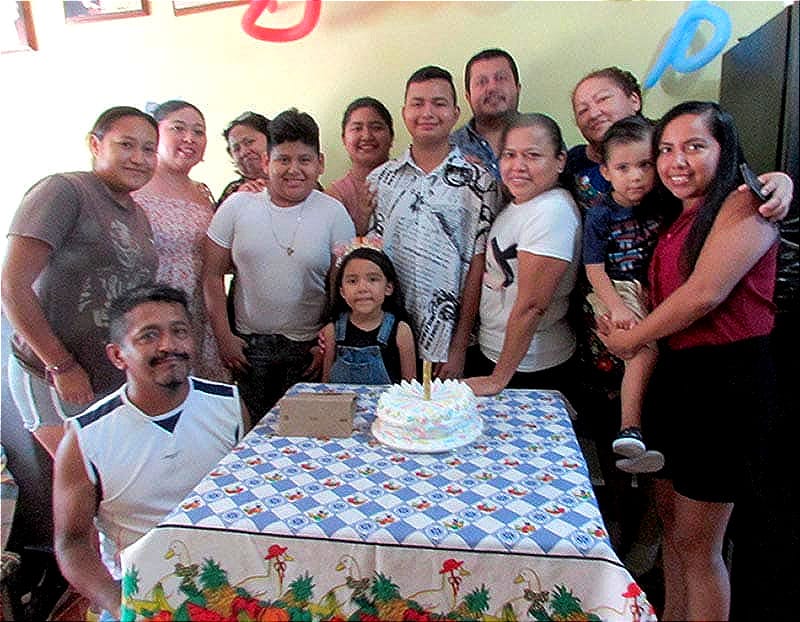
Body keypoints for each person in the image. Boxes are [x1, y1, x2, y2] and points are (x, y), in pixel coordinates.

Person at [600, 102, 781, 621]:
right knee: (676, 539)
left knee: (701, 549)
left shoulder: (745, 203)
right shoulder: (678, 216)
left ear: (724, 150)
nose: (677, 161)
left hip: (726, 385)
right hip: (677, 382)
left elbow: (705, 293)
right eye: (667, 150)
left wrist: (630, 341)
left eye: (695, 147)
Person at [52, 284, 249, 620]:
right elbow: (71, 545)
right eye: (148, 336)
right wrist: (119, 603)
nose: (169, 345)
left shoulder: (228, 405)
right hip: (141, 589)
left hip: (228, 579)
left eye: (179, 332)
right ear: (118, 355)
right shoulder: (85, 438)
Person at [2, 106, 159, 458]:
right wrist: (62, 365)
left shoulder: (138, 214)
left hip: (110, 376)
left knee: (112, 481)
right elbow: (12, 286)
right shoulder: (64, 191)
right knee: (82, 482)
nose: (139, 158)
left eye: (149, 149)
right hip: (53, 375)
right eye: (126, 145)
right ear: (95, 144)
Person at [204, 108, 355, 420]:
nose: (293, 169)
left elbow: (343, 287)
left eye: (304, 159)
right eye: (283, 159)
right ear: (266, 162)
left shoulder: (334, 213)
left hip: (309, 349)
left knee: (305, 436)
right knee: (251, 435)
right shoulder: (237, 206)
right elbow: (211, 273)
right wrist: (224, 336)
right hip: (248, 349)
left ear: (320, 163)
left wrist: (328, 344)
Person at [368, 65, 499, 378]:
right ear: (404, 113)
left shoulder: (479, 182)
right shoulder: (380, 181)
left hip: (454, 344)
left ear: (455, 113)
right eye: (417, 103)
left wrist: (456, 347)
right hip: (389, 339)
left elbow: (477, 266)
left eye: (439, 104)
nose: (427, 112)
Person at [464, 113, 581, 399]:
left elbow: (532, 305)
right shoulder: (520, 205)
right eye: (509, 155)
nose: (518, 166)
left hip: (532, 366)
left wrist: (497, 380)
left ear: (560, 161)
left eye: (532, 155)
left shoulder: (551, 211)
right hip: (499, 355)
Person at [583, 116, 664, 473]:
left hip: (652, 289)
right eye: (624, 167)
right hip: (614, 288)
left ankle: (642, 442)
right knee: (642, 348)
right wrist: (616, 307)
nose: (636, 176)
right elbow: (594, 269)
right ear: (606, 172)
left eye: (645, 165)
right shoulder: (601, 213)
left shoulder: (663, 202)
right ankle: (629, 428)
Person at [134, 100, 228, 382]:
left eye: (198, 131)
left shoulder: (203, 192)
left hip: (198, 309)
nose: (190, 138)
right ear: (156, 133)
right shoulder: (135, 187)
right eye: (179, 128)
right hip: (150, 307)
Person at [322, 242, 416, 384]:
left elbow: (410, 387)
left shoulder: (401, 331)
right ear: (342, 291)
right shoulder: (333, 330)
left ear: (388, 288)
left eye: (373, 279)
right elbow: (326, 385)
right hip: (342, 405)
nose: (362, 288)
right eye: (352, 281)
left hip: (385, 406)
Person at [326, 97, 394, 235]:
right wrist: (360, 223)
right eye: (357, 128)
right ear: (344, 139)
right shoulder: (335, 196)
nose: (367, 136)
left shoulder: (411, 182)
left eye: (376, 128)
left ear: (391, 136)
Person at [451, 48, 521, 179]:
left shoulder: (543, 138)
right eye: (481, 82)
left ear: (518, 88)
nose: (492, 87)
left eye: (501, 78)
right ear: (468, 96)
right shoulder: (451, 150)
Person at [218, 111, 270, 206]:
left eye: (249, 142)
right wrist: (238, 200)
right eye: (236, 149)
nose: (244, 152)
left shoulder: (293, 179)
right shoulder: (233, 191)